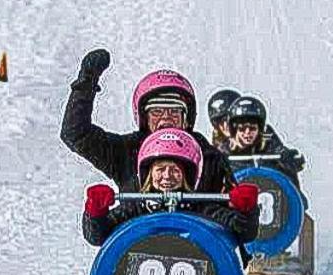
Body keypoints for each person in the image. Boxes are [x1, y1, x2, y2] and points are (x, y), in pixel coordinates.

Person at [61, 48, 237, 194]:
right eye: (157, 112)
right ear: (144, 117)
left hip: (195, 235)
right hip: (140, 235)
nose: (166, 117)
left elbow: (232, 212)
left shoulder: (209, 155)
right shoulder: (125, 151)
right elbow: (76, 134)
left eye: (174, 111)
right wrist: (86, 83)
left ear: (186, 118)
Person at [82, 129, 260, 248]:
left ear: (188, 176)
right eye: (160, 170)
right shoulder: (137, 206)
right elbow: (97, 236)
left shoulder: (202, 207)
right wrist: (96, 211)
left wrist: (246, 210)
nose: (167, 176)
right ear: (148, 175)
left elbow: (244, 233)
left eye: (175, 170)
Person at [220, 96, 305, 187]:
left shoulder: (271, 147)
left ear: (260, 129)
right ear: (234, 130)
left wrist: (289, 159)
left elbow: (290, 158)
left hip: (270, 195)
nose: (247, 133)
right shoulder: (223, 153)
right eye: (242, 129)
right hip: (238, 197)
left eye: (252, 128)